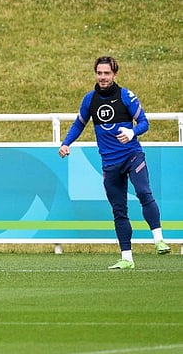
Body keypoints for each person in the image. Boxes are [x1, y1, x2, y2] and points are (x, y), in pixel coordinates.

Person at [58, 56, 170, 269]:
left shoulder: (126, 96)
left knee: (144, 192)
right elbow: (79, 124)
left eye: (107, 73)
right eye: (99, 73)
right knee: (119, 210)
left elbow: (144, 123)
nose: (102, 77)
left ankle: (159, 240)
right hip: (110, 163)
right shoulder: (89, 100)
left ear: (114, 74)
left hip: (132, 156)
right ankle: (127, 258)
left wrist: (132, 132)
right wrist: (66, 143)